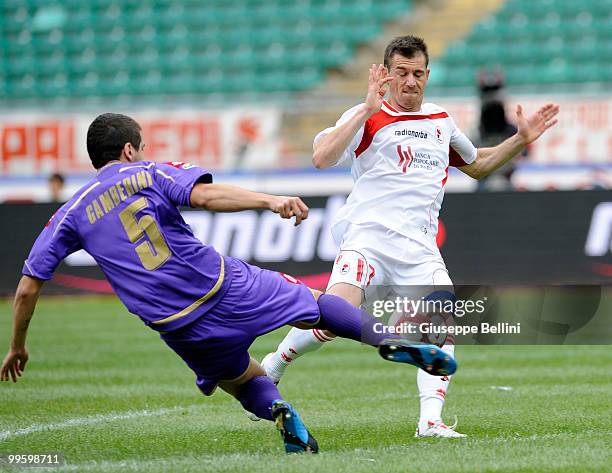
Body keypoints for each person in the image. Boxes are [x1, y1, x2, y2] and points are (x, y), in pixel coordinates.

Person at [0, 113, 457, 454]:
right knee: (317, 305)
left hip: (176, 324)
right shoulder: (147, 172)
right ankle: (392, 339)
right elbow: (204, 195)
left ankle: (280, 412)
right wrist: (269, 199)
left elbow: (27, 287)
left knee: (241, 380)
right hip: (222, 284)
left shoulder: (69, 213)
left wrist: (18, 346)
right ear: (127, 150)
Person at [262, 35, 559, 438]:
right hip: (368, 237)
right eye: (401, 73)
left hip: (419, 247)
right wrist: (366, 107)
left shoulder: (440, 122)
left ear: (427, 75)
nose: (410, 82)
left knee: (441, 324)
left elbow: (478, 165)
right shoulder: (368, 115)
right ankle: (275, 364)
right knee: (333, 316)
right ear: (385, 74)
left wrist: (521, 139)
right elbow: (321, 157)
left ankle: (430, 421)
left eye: (417, 74)